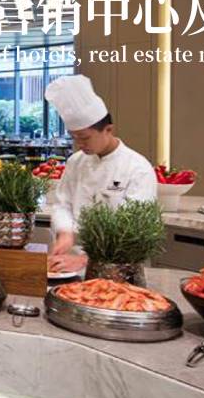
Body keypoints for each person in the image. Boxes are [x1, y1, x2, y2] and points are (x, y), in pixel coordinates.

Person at [43, 75, 157, 274]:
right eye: (74, 138)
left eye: (85, 138)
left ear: (108, 130)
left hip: (118, 267)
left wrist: (85, 260)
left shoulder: (138, 168)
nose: (79, 144)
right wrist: (65, 233)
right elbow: (63, 204)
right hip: (70, 262)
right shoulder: (75, 161)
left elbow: (133, 232)